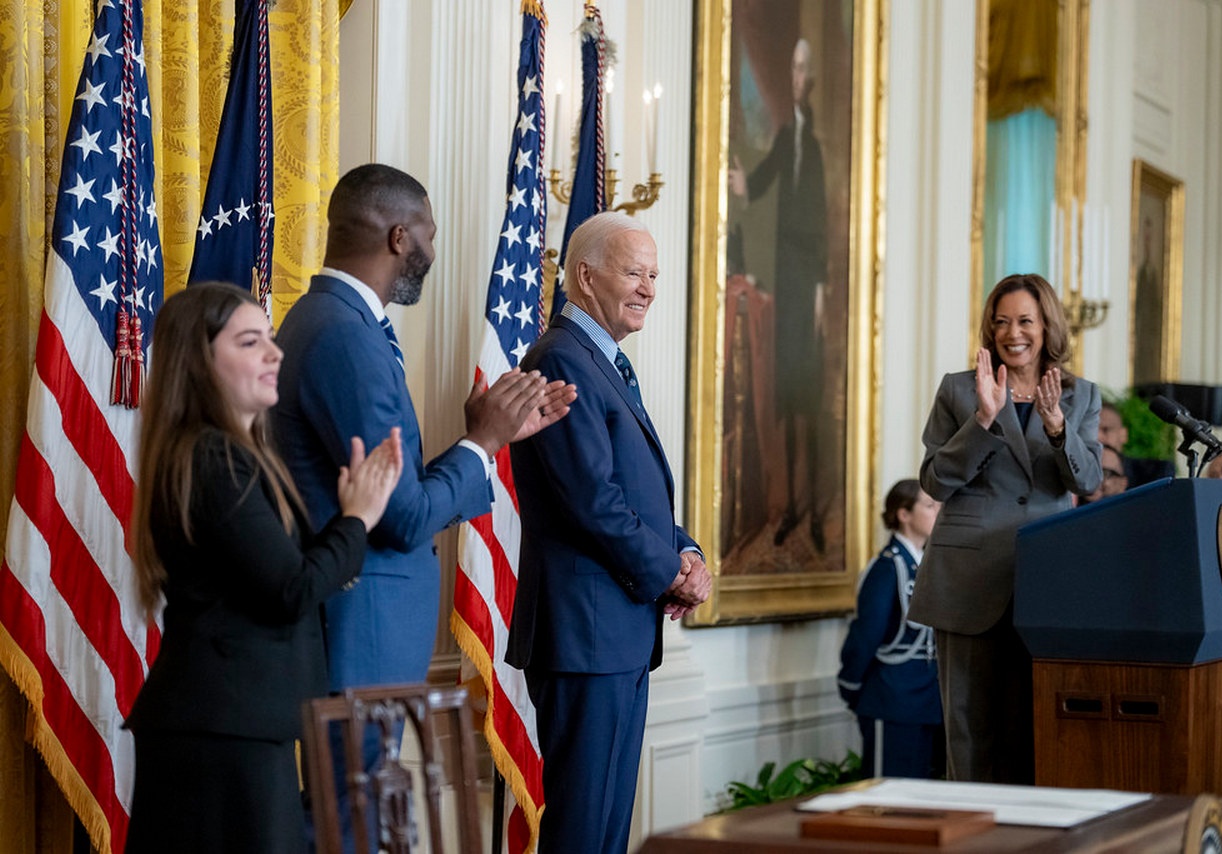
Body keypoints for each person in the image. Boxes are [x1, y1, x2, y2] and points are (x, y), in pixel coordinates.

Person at [270, 164, 574, 842]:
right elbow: (401, 517)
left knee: (354, 803)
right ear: (400, 237)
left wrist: (481, 443)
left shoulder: (332, 318)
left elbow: (391, 491)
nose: (433, 252)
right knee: (348, 809)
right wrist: (484, 439)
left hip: (360, 618)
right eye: (430, 236)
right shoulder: (345, 333)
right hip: (360, 619)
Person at [124, 283, 403, 853]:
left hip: (239, 725)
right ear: (199, 363)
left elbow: (280, 574)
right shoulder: (212, 457)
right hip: (220, 732)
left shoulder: (236, 455)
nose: (275, 354)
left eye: (270, 340)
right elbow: (291, 589)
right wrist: (358, 519)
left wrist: (345, 525)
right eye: (251, 342)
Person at [506, 212, 712, 854]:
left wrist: (686, 550)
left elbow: (632, 495)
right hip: (583, 634)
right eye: (634, 272)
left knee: (605, 831)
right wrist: (668, 573)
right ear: (585, 276)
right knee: (582, 829)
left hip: (614, 632)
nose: (649, 287)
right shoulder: (561, 359)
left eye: (654, 274)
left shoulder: (605, 362)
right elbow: (590, 500)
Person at [910, 273, 1102, 784]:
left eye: (1024, 321)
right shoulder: (959, 389)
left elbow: (1088, 478)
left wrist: (1058, 426)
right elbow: (933, 481)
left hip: (1047, 581)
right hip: (966, 580)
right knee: (969, 734)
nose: (1012, 332)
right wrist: (984, 422)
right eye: (1001, 322)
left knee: (1037, 728)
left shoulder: (1080, 395)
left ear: (1047, 326)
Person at [728, 36, 829, 551]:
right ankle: (790, 506)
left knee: (808, 402)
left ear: (810, 77)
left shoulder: (811, 143)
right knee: (787, 400)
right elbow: (762, 180)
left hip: (806, 286)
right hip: (784, 284)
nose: (796, 76)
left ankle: (810, 508)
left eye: (802, 68)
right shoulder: (789, 132)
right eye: (791, 67)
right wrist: (741, 183)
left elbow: (822, 224)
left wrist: (819, 292)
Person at [837, 479, 943, 779]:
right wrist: (851, 685)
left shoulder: (924, 564)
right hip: (892, 698)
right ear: (903, 514)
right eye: (929, 505)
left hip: (926, 701)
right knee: (890, 797)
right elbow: (866, 634)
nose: (937, 512)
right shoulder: (887, 567)